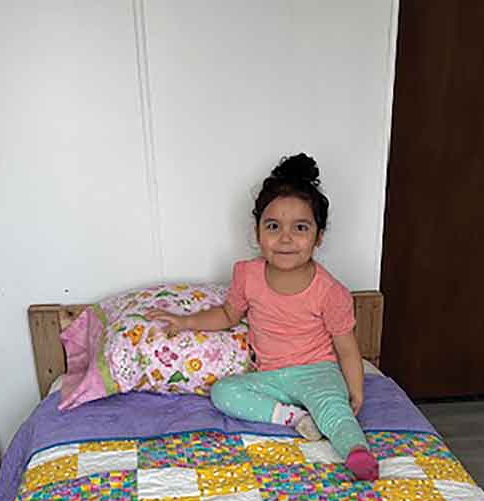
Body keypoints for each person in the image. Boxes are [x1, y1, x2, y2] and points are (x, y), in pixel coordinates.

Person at [147, 153, 379, 481]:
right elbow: (227, 315)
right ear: (258, 233)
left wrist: (356, 390)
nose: (285, 238)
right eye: (273, 227)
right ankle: (295, 418)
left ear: (319, 236)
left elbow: (347, 348)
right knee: (223, 392)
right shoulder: (247, 275)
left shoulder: (330, 291)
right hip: (270, 378)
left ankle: (356, 452)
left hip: (318, 373)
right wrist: (185, 322)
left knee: (335, 410)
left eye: (300, 228)